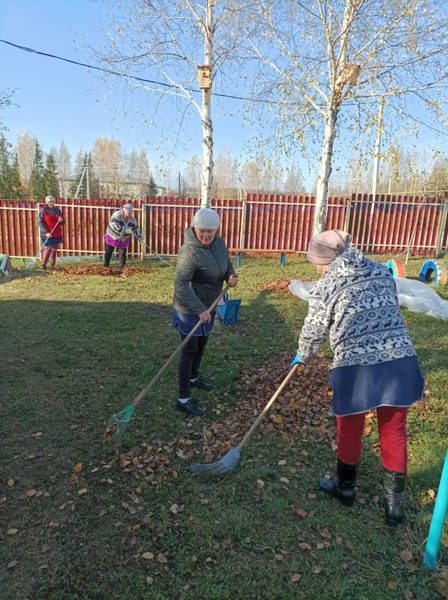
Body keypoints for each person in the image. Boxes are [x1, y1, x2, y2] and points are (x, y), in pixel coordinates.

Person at [292, 229, 424, 526]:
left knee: (350, 429)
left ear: (325, 260)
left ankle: (345, 488)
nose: (316, 268)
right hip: (399, 360)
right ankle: (394, 509)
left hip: (356, 365)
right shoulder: (380, 271)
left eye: (316, 262)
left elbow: (314, 329)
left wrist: (303, 354)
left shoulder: (327, 284)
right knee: (394, 433)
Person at [172, 208, 239, 416]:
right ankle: (183, 398)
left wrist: (230, 275)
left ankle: (193, 377)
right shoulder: (189, 251)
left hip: (208, 306)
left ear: (216, 231)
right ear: (194, 228)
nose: (206, 236)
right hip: (189, 307)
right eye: (202, 231)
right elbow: (181, 285)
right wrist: (199, 309)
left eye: (210, 232)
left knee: (202, 343)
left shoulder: (218, 244)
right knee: (190, 348)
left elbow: (226, 264)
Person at [104, 204, 145, 269]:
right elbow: (113, 224)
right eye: (127, 213)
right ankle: (106, 266)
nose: (128, 215)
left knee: (122, 253)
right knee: (109, 251)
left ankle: (121, 268)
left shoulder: (132, 220)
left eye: (130, 213)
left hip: (123, 238)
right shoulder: (117, 214)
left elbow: (135, 230)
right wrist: (125, 230)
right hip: (112, 236)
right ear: (123, 211)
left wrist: (141, 239)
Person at [38, 195, 65, 270]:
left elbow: (63, 222)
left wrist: (61, 220)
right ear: (46, 202)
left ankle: (52, 264)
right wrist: (46, 232)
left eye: (53, 201)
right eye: (50, 201)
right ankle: (43, 265)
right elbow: (40, 223)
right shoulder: (43, 211)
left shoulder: (57, 211)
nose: (52, 203)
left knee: (54, 249)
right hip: (47, 233)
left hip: (56, 233)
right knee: (48, 249)